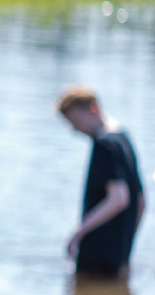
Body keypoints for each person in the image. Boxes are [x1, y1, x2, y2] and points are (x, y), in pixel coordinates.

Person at [57, 85, 145, 278]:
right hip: (117, 258)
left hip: (97, 258)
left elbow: (119, 198)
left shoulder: (104, 145)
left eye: (77, 121)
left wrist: (78, 233)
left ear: (93, 109)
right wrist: (127, 249)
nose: (75, 129)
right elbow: (140, 201)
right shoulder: (123, 138)